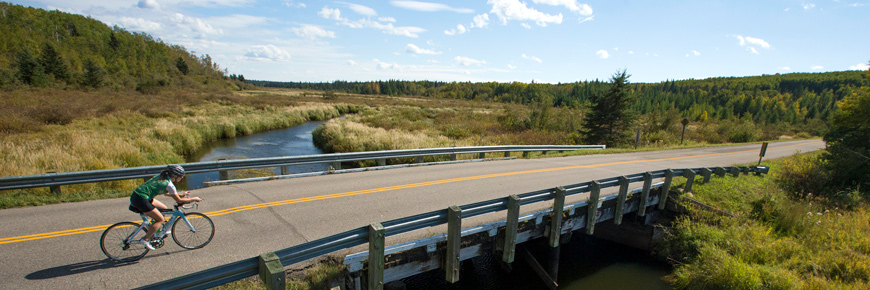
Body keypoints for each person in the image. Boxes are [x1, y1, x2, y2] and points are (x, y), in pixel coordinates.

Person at [129, 164, 202, 250]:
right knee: (160, 219)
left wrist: (180, 195)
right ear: (175, 175)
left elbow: (166, 193)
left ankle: (156, 231)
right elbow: (179, 201)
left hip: (138, 196)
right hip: (141, 200)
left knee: (163, 208)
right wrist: (194, 199)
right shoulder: (169, 184)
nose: (181, 178)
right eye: (181, 176)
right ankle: (145, 239)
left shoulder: (162, 177)